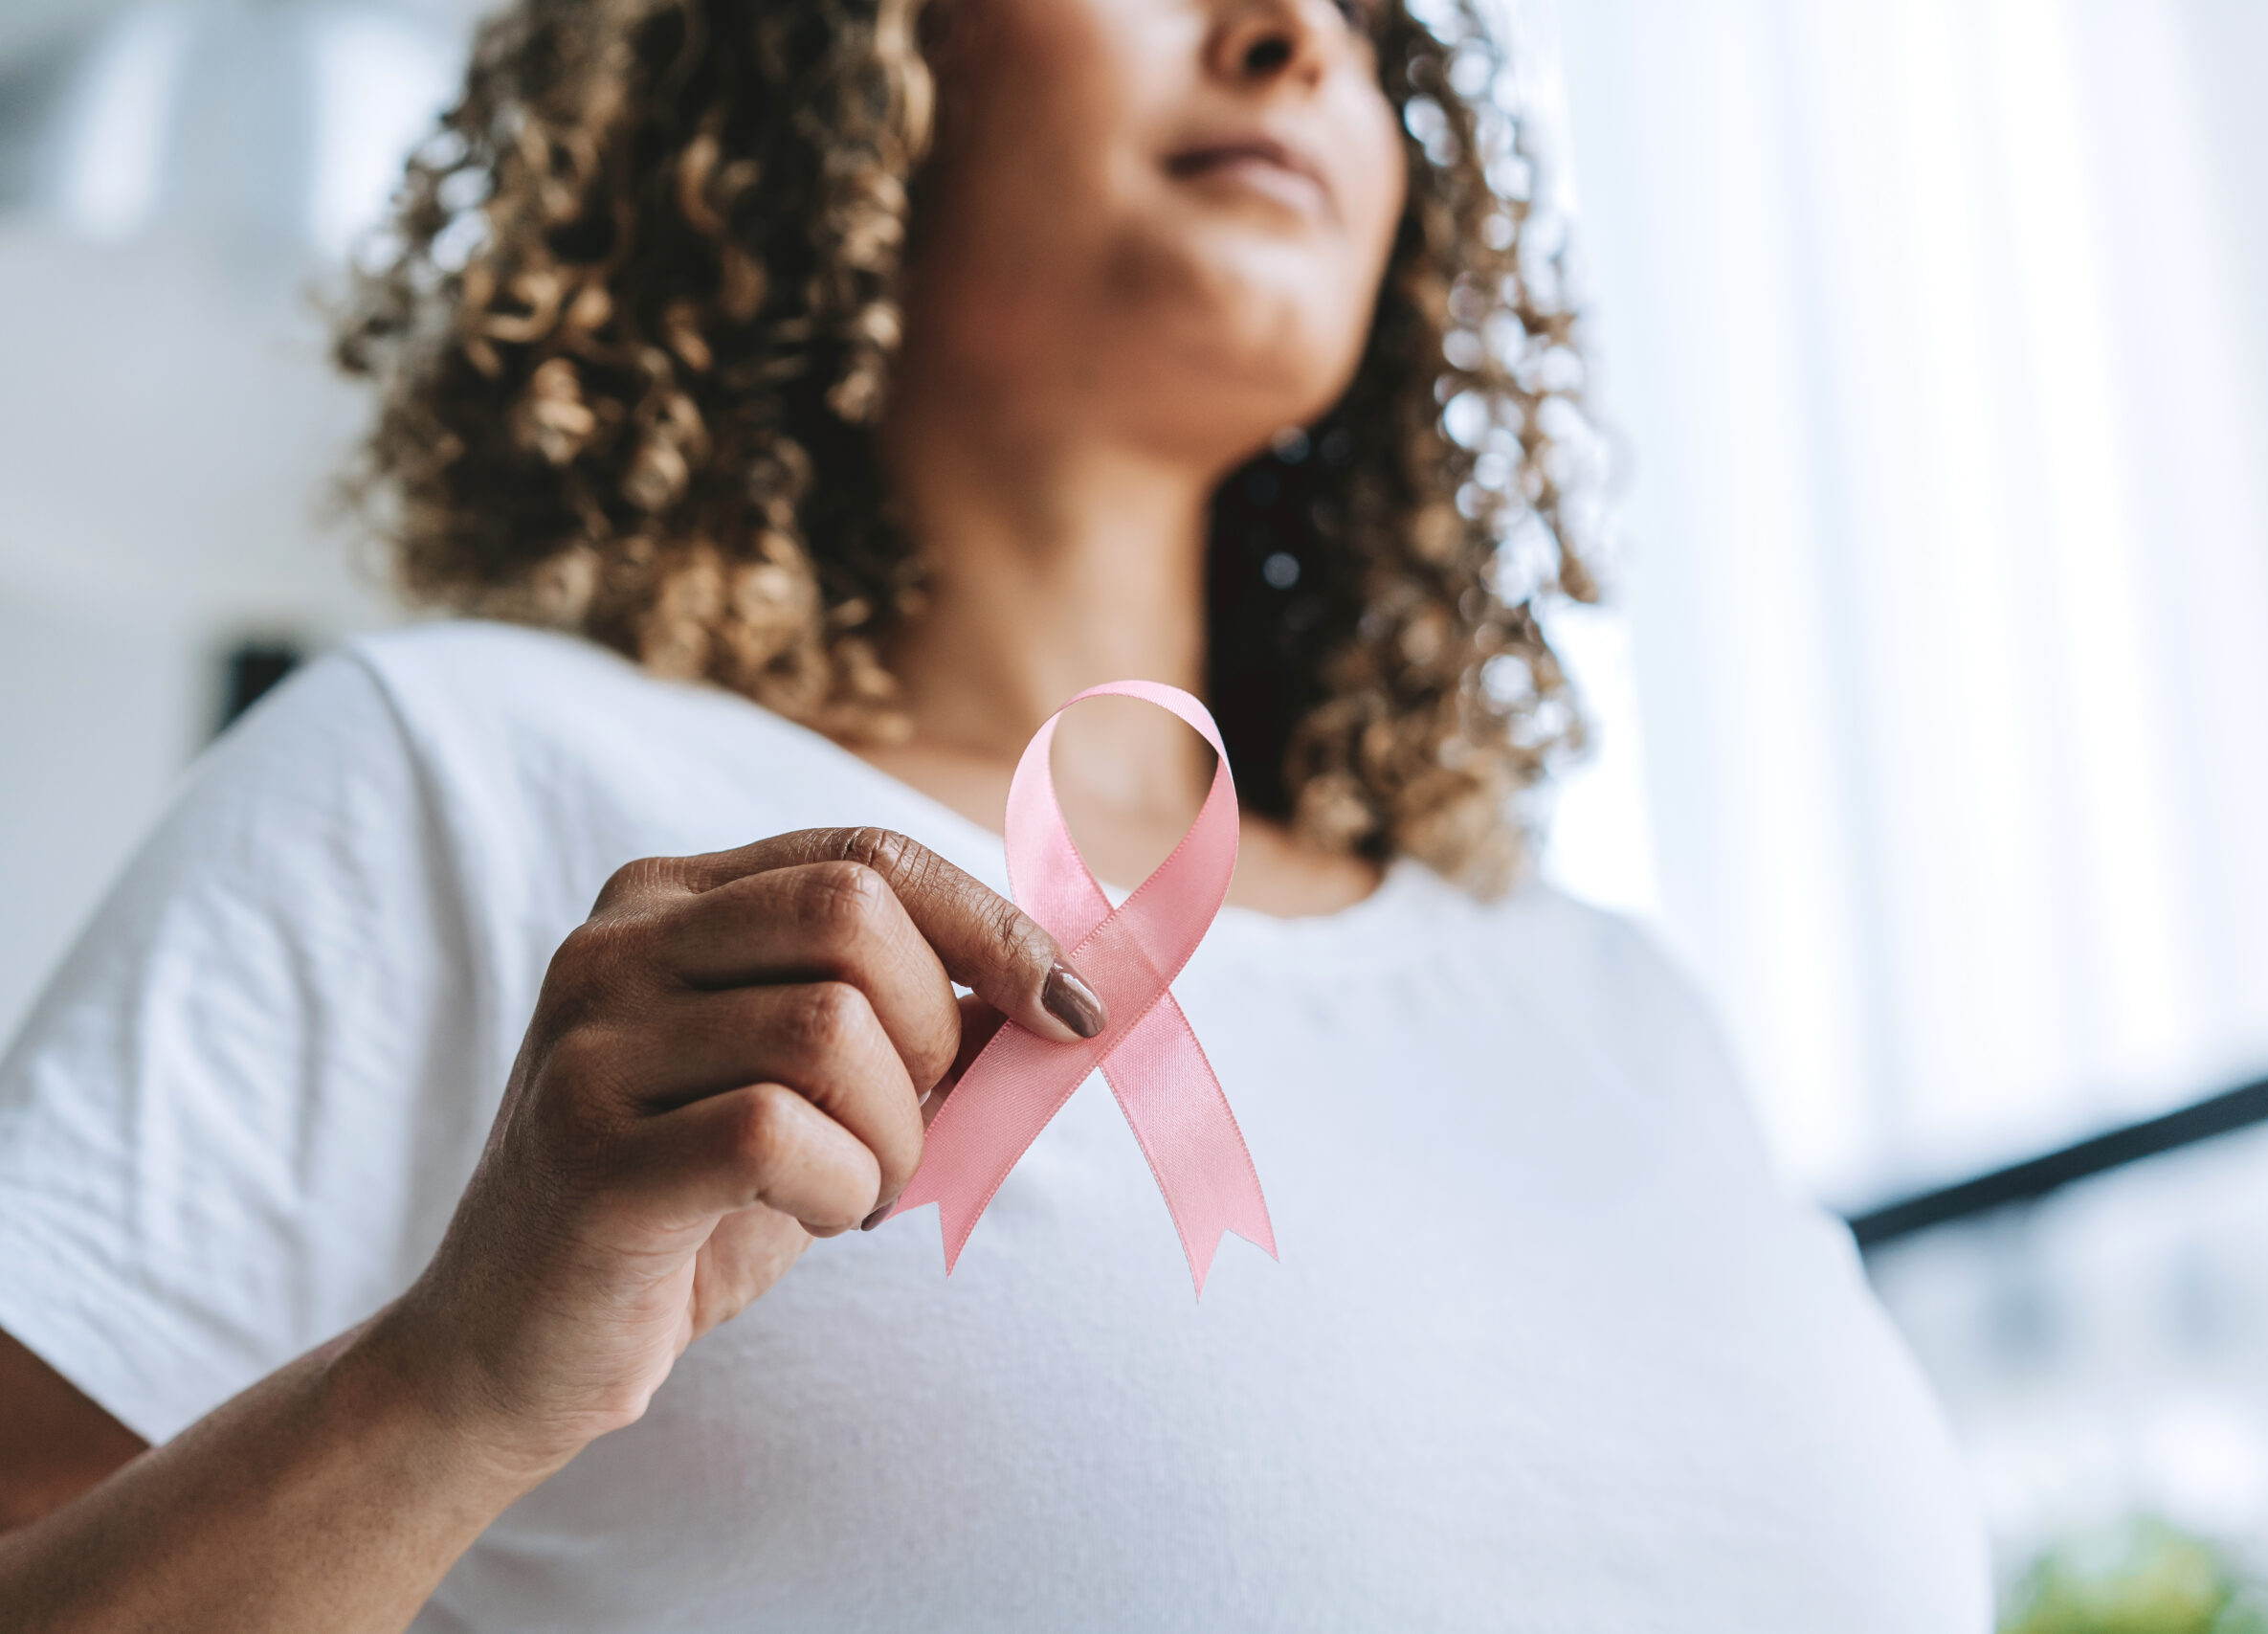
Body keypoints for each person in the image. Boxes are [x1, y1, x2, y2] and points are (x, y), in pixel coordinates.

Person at [0, 0, 1991, 1627]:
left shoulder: (1615, 1006)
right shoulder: (451, 777)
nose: (1294, 34)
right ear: (825, 64)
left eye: (1369, 24)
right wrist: (448, 1385)